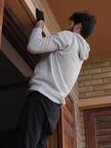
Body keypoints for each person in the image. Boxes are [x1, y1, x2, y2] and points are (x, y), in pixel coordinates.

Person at [15, 11, 96, 148]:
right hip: (53, 111)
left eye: (70, 24)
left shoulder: (69, 37)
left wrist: (39, 25)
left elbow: (33, 46)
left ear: (78, 27)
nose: (67, 28)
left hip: (40, 100)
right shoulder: (80, 55)